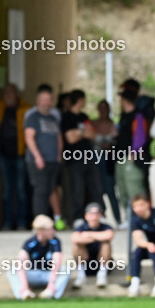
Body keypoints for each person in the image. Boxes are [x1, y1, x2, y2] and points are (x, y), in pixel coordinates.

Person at [24, 84, 64, 228]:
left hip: (53, 160)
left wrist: (59, 154)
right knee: (40, 191)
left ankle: (54, 220)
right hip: (38, 161)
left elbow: (58, 137)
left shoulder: (54, 117)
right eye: (44, 99)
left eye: (49, 99)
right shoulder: (32, 117)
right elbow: (29, 137)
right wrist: (38, 157)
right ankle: (39, 223)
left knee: (51, 189)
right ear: (38, 101)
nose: (47, 102)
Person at [61, 90, 102, 223]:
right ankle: (77, 217)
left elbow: (92, 134)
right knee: (77, 189)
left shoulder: (84, 116)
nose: (85, 102)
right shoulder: (67, 117)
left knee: (95, 187)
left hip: (89, 157)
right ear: (79, 100)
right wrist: (83, 132)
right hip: (74, 159)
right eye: (83, 99)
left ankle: (99, 215)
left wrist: (78, 132)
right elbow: (70, 139)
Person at [6, 215, 71, 300]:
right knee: (12, 269)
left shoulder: (55, 241)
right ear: (41, 231)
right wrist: (25, 286)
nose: (53, 231)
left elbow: (57, 261)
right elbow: (21, 263)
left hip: (48, 275)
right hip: (33, 274)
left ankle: (52, 294)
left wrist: (51, 285)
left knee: (66, 268)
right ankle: (23, 294)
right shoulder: (30, 242)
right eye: (49, 229)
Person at [0, 83, 30, 230]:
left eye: (11, 92)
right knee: (7, 191)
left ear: (17, 94)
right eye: (6, 93)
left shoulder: (25, 109)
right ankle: (8, 222)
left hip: (20, 155)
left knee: (21, 190)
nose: (8, 95)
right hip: (3, 155)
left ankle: (22, 222)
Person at [115, 89, 150, 221]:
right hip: (120, 157)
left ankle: (141, 219)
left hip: (131, 158)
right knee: (122, 189)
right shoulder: (124, 116)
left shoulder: (138, 116)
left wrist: (134, 153)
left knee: (134, 188)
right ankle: (130, 218)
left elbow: (140, 137)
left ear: (126, 100)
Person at [69, 202, 113, 289]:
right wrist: (99, 236)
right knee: (77, 245)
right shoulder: (80, 227)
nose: (94, 217)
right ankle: (81, 276)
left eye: (96, 214)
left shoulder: (106, 227)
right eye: (91, 214)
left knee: (106, 244)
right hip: (86, 263)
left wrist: (87, 235)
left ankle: (102, 275)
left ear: (101, 215)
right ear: (86, 216)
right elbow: (75, 238)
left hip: (100, 262)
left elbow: (109, 236)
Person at [90, 100, 120, 225]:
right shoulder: (93, 124)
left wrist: (111, 144)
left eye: (105, 108)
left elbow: (117, 140)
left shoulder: (113, 124)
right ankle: (102, 217)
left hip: (109, 161)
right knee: (97, 189)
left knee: (110, 189)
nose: (103, 110)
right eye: (101, 107)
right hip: (96, 159)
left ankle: (118, 219)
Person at [127, 195, 155, 297]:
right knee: (137, 252)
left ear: (147, 204)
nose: (138, 209)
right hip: (151, 246)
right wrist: (148, 244)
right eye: (135, 207)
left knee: (153, 253)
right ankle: (135, 284)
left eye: (141, 205)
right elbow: (138, 239)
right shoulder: (135, 220)